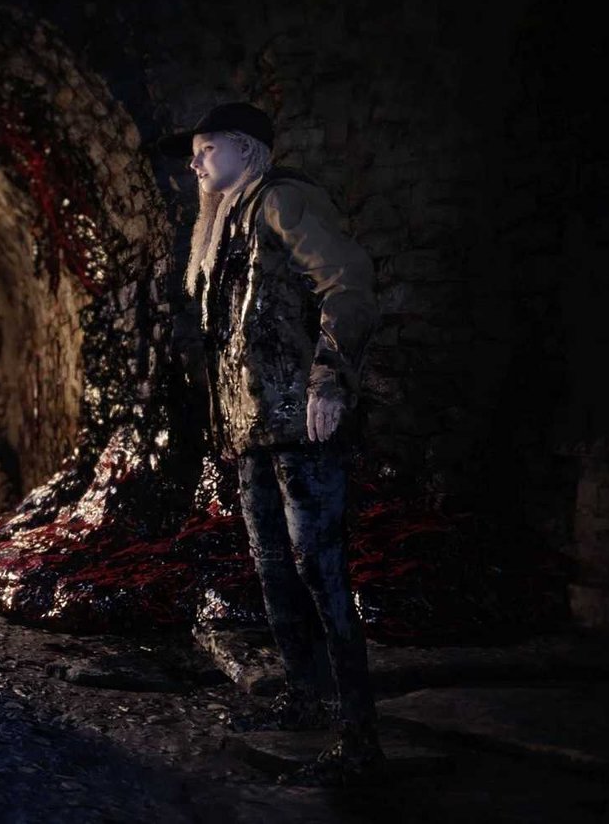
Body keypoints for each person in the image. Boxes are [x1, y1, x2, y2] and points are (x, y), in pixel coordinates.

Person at [158, 102, 383, 784]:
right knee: (272, 565)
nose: (195, 164)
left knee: (321, 568)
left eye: (206, 149)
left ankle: (359, 737)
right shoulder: (231, 219)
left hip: (299, 424)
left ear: (245, 148)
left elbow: (348, 284)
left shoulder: (283, 201)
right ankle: (306, 696)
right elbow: (231, 335)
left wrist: (329, 380)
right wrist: (227, 424)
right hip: (256, 426)